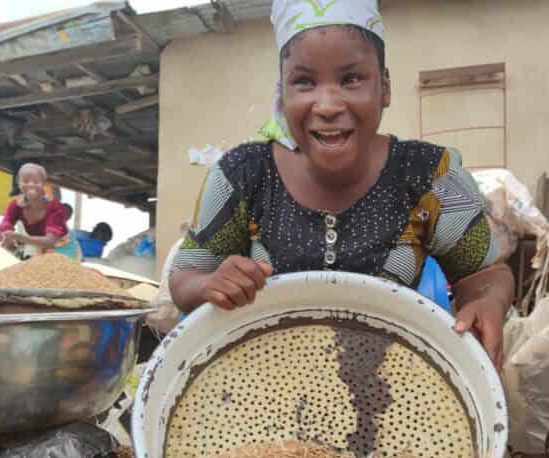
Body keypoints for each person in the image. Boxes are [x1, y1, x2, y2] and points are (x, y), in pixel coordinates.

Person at [169, 0, 513, 369]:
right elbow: (185, 278)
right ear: (282, 94)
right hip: (265, 400)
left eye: (351, 79)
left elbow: (484, 273)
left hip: (391, 398)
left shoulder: (432, 176)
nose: (328, 104)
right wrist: (210, 286)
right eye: (304, 82)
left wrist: (487, 302)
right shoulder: (241, 176)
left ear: (385, 88)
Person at [0, 163, 80, 260]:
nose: (30, 185)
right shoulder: (15, 206)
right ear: (19, 184)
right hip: (41, 249)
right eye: (25, 181)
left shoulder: (55, 207)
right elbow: (5, 224)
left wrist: (18, 237)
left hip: (65, 250)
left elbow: (50, 241)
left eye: (36, 181)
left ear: (43, 184)